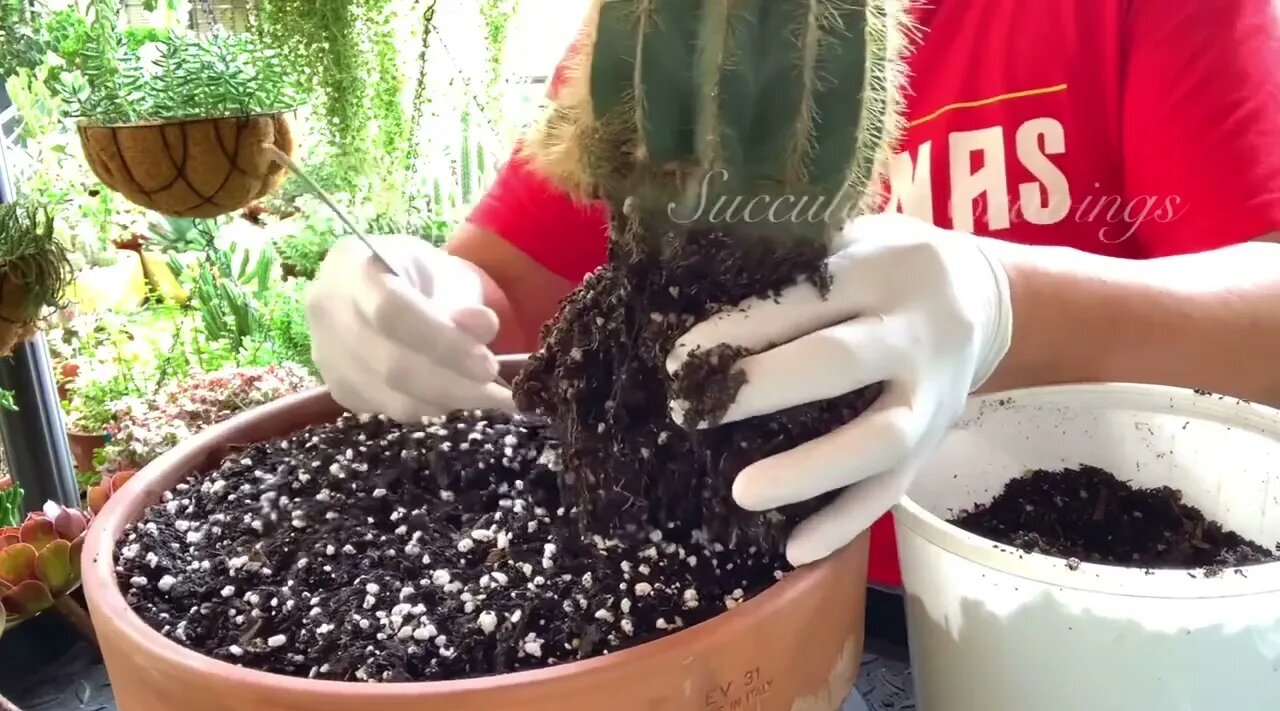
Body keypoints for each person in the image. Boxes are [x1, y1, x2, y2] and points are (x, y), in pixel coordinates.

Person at [307, 0, 1280, 587]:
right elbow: (506, 293)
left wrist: (1005, 305)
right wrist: (407, 290)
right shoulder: (662, 30)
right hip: (723, 584)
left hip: (1065, 586)